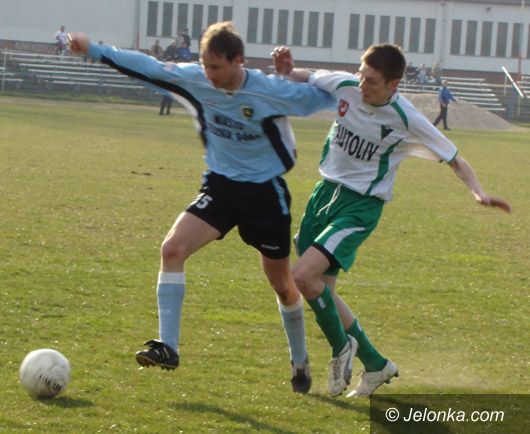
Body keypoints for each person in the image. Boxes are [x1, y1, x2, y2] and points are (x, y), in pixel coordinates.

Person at [68, 22, 335, 394]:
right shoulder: (195, 80)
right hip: (220, 188)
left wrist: (332, 81)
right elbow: (147, 67)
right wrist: (94, 50)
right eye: (205, 65)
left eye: (217, 67)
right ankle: (168, 347)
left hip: (265, 195)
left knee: (282, 285)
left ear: (238, 61)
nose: (209, 74)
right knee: (172, 249)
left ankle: (300, 361)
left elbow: (325, 96)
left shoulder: (268, 91)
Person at [272, 44, 511, 397]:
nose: (362, 85)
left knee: (302, 276)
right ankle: (376, 364)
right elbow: (307, 76)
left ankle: (342, 348)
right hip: (324, 194)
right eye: (361, 75)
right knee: (323, 289)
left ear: (393, 84)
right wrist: (287, 70)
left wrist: (479, 192)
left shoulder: (406, 118)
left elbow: (455, 159)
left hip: (359, 207)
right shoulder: (346, 85)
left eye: (371, 81)